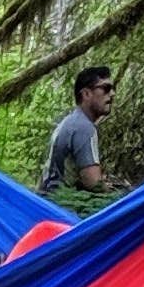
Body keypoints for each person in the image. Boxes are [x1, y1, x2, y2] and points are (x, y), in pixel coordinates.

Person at [42, 62, 113, 198]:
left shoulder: (69, 122)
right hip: (65, 207)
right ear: (86, 94)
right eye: (106, 88)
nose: (112, 94)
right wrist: (114, 196)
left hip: (49, 201)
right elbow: (93, 182)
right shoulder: (84, 127)